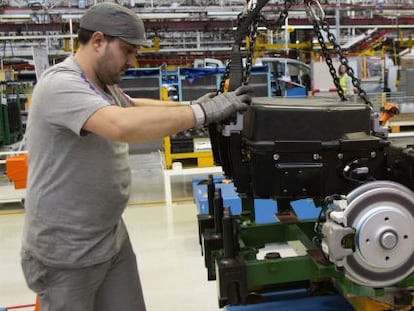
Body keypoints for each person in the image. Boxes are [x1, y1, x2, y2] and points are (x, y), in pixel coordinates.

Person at [20, 3, 252, 311]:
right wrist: (200, 114)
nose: (133, 60)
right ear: (98, 41)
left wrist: (197, 104)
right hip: (66, 254)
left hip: (109, 237)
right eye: (128, 50)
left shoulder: (101, 86)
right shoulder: (60, 85)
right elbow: (119, 124)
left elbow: (133, 108)